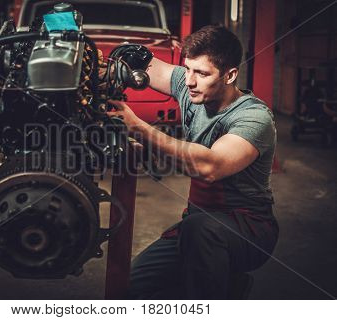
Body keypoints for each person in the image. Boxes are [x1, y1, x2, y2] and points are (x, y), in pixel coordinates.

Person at [107, 25, 279, 299]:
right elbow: (149, 66)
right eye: (187, 69)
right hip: (196, 225)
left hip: (249, 230)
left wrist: (137, 127)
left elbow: (210, 167)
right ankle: (228, 286)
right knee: (130, 289)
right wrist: (110, 62)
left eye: (201, 73)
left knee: (200, 232)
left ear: (230, 75)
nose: (189, 81)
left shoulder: (253, 118)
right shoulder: (193, 88)